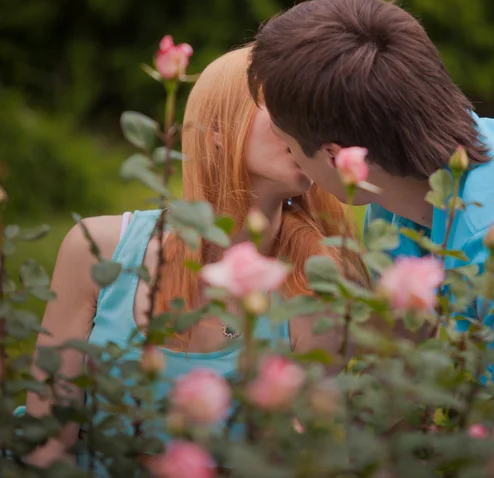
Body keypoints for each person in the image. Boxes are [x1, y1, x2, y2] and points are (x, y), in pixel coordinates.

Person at [25, 45, 370, 467]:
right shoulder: (97, 248)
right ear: (219, 129)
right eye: (285, 105)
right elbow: (47, 440)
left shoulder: (320, 282)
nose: (309, 127)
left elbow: (294, 463)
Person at [247, 0, 494, 398]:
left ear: (339, 158)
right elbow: (403, 370)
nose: (290, 159)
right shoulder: (401, 187)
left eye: (287, 144)